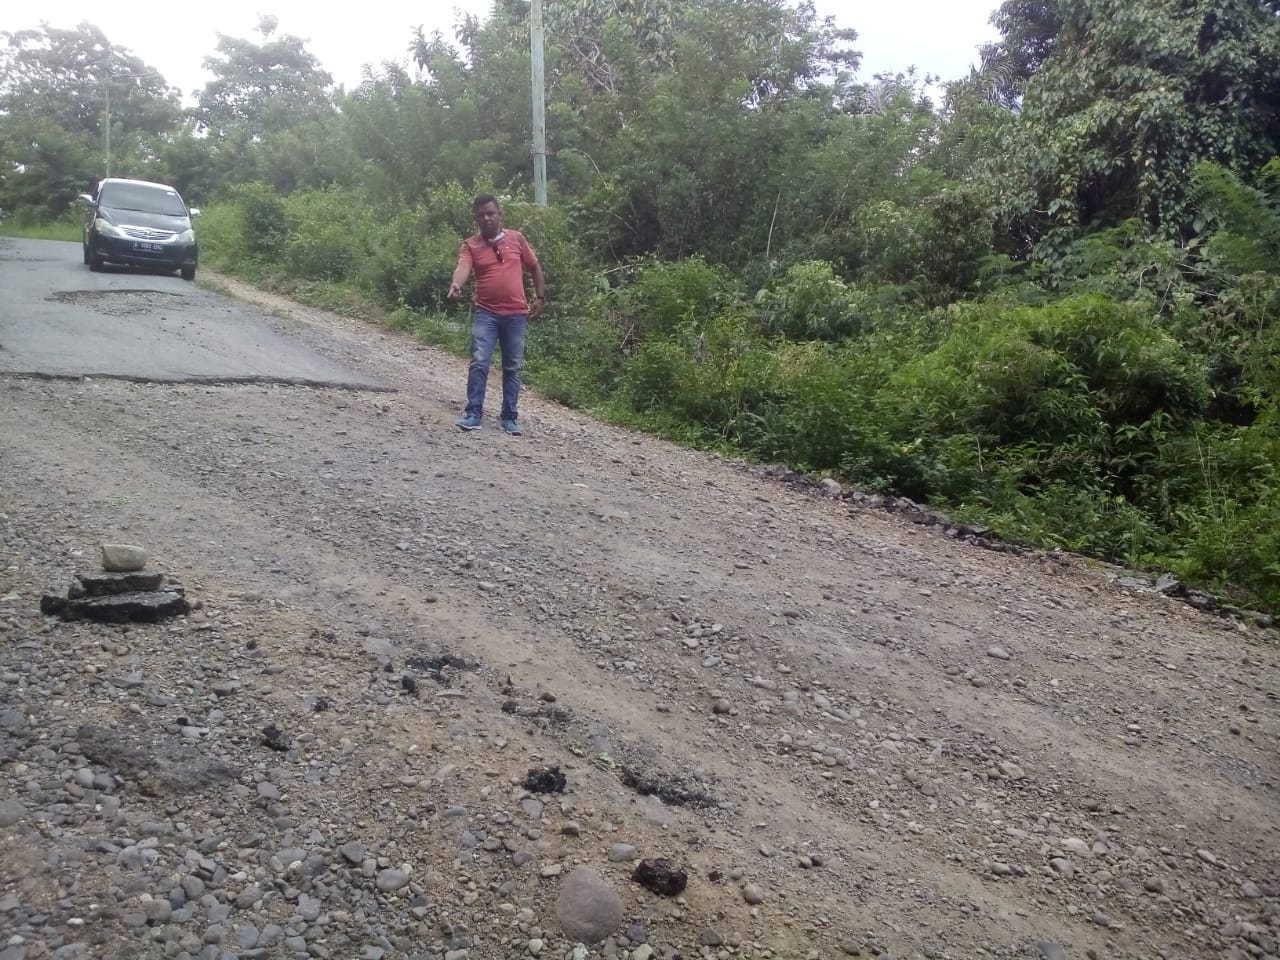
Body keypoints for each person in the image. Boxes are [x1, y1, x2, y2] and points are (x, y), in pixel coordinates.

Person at [447, 194, 546, 435]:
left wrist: (540, 298)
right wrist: (456, 284)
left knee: (513, 366)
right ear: (476, 218)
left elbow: (535, 268)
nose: (487, 218)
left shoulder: (517, 239)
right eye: (481, 215)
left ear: (499, 213)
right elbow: (463, 267)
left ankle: (510, 417)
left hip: (516, 314)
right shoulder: (471, 245)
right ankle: (473, 414)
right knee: (480, 362)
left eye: (491, 213)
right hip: (486, 313)